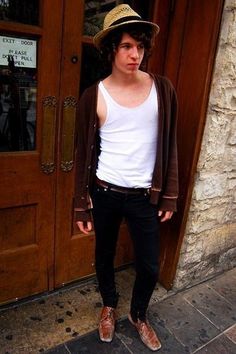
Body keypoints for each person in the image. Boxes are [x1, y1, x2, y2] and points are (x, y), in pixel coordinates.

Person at [74, 4, 178, 352]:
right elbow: (83, 154)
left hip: (144, 195)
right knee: (103, 255)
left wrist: (170, 195)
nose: (136, 54)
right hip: (105, 192)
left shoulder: (162, 89)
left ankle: (138, 313)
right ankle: (109, 304)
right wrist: (81, 207)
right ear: (111, 49)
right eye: (127, 46)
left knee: (149, 264)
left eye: (141, 46)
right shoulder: (94, 96)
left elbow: (171, 144)